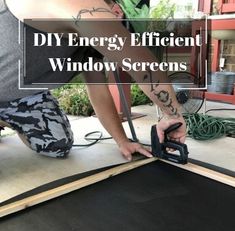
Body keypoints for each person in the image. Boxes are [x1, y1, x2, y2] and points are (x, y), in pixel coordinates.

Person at [0, 0, 186, 160]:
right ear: (116, 11)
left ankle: (6, 119)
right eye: (124, 32)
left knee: (57, 145)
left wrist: (122, 141)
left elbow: (99, 92)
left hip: (23, 97)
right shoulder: (78, 6)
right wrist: (173, 115)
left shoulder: (88, 43)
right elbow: (141, 63)